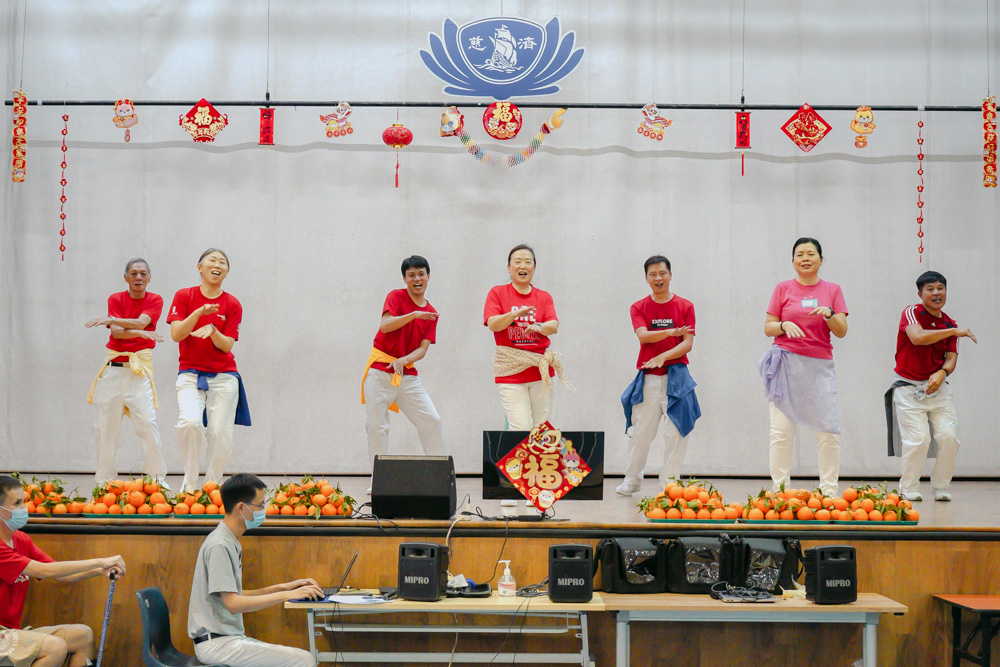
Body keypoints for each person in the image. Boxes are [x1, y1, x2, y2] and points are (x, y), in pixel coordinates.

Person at [187, 473, 321, 667]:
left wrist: (283, 588)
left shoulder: (228, 540)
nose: (263, 510)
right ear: (241, 508)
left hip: (226, 640)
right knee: (303, 659)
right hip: (217, 644)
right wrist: (288, 596)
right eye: (260, 505)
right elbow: (233, 604)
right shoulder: (219, 545)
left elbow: (235, 595)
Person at [0, 474, 125, 667]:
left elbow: (62, 575)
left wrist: (101, 569)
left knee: (83, 635)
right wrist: (100, 561)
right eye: (16, 503)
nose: (23, 508)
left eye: (23, 501)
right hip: (3, 634)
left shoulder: (21, 539)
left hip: (11, 632)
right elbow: (43, 571)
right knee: (55, 647)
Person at [757, 238, 848, 497]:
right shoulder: (783, 288)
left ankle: (829, 492)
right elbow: (768, 327)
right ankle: (780, 492)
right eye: (800, 254)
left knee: (828, 432)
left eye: (811, 254)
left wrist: (829, 315)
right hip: (786, 364)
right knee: (781, 432)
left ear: (821, 259)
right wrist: (783, 325)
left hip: (819, 367)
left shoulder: (833, 290)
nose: (805, 258)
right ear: (793, 261)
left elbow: (841, 331)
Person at [886, 271, 977, 502]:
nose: (936, 293)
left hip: (938, 389)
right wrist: (954, 331)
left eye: (940, 288)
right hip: (908, 387)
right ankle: (909, 488)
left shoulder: (950, 323)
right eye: (930, 289)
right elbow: (917, 337)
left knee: (949, 437)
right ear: (920, 294)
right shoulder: (912, 312)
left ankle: (941, 487)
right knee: (919, 440)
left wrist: (943, 372)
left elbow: (951, 358)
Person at [167, 249, 250, 494]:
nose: (217, 265)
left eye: (222, 262)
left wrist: (213, 330)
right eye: (212, 260)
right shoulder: (184, 296)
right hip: (190, 374)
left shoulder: (232, 303)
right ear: (199, 267)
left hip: (224, 376)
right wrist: (198, 313)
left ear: (226, 271)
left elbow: (227, 345)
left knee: (220, 433)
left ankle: (211, 486)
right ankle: (189, 482)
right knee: (190, 423)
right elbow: (176, 334)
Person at [617, 255, 701, 496]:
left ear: (670, 275)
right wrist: (671, 332)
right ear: (646, 278)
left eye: (663, 273)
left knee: (677, 431)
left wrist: (664, 356)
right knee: (641, 432)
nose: (658, 278)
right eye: (653, 274)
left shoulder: (685, 306)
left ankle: (669, 483)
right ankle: (632, 479)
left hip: (678, 377)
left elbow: (687, 343)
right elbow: (643, 335)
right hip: (649, 376)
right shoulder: (638, 307)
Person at [360, 256, 444, 494]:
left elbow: (422, 349)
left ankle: (439, 477)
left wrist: (404, 360)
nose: (417, 279)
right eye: (411, 275)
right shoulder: (395, 297)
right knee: (376, 426)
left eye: (421, 274)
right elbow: (385, 325)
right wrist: (414, 315)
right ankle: (379, 480)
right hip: (379, 371)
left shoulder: (432, 313)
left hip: (407, 374)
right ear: (405, 279)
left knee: (432, 420)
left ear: (428, 276)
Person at [84, 258, 169, 487]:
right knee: (104, 427)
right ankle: (105, 481)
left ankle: (156, 479)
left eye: (143, 274)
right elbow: (117, 333)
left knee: (147, 423)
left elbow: (141, 322)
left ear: (149, 278)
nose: (138, 277)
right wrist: (139, 333)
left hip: (138, 372)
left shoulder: (155, 299)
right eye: (134, 274)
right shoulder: (116, 298)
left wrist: (114, 320)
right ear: (126, 277)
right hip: (113, 369)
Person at [484, 244, 571, 430]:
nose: (522, 266)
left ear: (534, 267)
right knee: (521, 428)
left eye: (527, 262)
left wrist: (539, 327)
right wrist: (515, 314)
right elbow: (493, 324)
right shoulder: (497, 293)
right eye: (517, 262)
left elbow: (553, 326)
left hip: (541, 372)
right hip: (510, 372)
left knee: (541, 429)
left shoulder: (543, 297)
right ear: (509, 267)